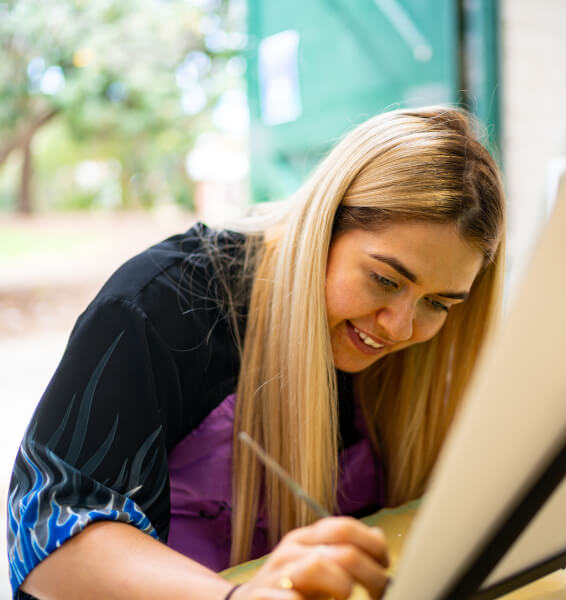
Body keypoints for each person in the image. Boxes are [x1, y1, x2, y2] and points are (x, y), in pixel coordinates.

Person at [6, 105, 506, 599]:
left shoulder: (424, 349)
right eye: (384, 279)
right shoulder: (161, 304)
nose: (400, 328)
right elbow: (47, 536)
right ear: (323, 226)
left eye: (438, 303)